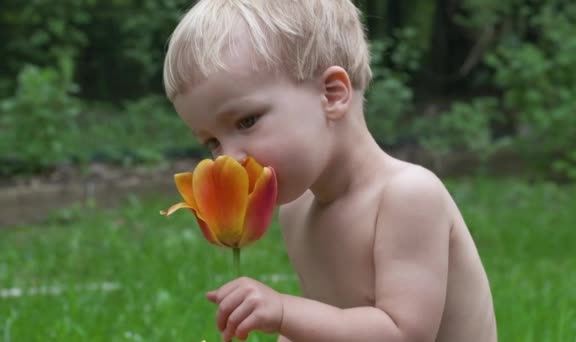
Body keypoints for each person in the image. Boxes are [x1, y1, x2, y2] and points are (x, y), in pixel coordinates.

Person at [162, 1, 497, 341]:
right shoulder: (298, 210)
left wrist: (283, 312)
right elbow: (324, 326)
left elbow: (402, 335)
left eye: (246, 121)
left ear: (332, 94)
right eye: (212, 142)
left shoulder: (407, 196)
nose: (226, 160)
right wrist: (288, 325)